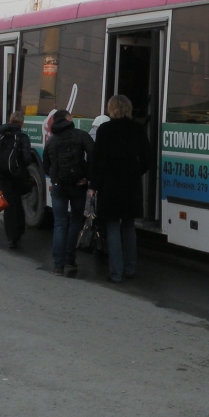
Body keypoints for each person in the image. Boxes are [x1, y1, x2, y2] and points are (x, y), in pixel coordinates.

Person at [90, 95, 152, 283]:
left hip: (110, 183)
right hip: (131, 184)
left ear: (111, 109)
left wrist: (93, 186)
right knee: (128, 226)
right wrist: (135, 172)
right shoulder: (138, 129)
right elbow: (147, 160)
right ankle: (130, 268)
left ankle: (116, 273)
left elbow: (98, 160)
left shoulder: (105, 129)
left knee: (112, 227)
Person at [42, 109, 94, 275]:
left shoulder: (51, 140)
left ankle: (58, 264)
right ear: (69, 119)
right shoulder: (80, 135)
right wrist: (86, 177)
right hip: (78, 186)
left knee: (59, 224)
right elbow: (93, 154)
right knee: (75, 222)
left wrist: (57, 178)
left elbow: (46, 166)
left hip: (59, 187)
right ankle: (70, 259)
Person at [0, 111, 33, 249]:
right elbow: (27, 158)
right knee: (18, 202)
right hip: (17, 175)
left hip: (3, 176)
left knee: (9, 205)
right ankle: (19, 232)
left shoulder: (1, 135)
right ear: (22, 123)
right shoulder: (22, 137)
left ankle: (11, 237)